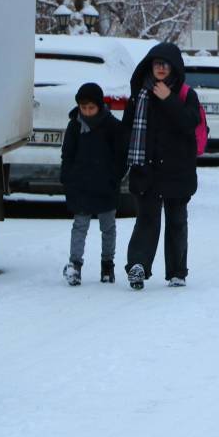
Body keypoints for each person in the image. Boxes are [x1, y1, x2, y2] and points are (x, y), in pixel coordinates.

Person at [122, 42, 201, 290]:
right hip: (146, 167)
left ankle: (177, 271)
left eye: (166, 64)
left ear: (174, 67)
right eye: (157, 64)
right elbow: (127, 131)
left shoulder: (185, 94)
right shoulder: (140, 94)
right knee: (146, 219)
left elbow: (189, 123)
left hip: (177, 169)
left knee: (176, 220)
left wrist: (169, 100)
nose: (161, 68)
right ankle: (138, 265)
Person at [60, 83, 125, 285]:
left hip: (106, 185)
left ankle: (107, 266)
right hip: (81, 185)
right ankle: (75, 265)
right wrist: (67, 178)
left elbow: (121, 156)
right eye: (83, 108)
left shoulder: (112, 126)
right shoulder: (75, 125)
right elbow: (67, 155)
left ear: (99, 106)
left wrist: (114, 177)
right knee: (80, 225)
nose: (87, 112)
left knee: (108, 227)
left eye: (91, 108)